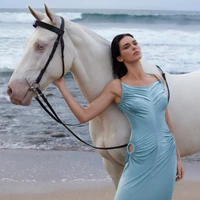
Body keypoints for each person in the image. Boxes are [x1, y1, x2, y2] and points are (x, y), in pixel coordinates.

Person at [53, 33, 184, 200]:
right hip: (140, 155)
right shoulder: (117, 87)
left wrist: (178, 158)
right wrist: (61, 86)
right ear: (120, 58)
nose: (134, 47)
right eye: (126, 46)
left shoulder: (157, 79)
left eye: (135, 43)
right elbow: (84, 115)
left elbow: (167, 121)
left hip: (167, 154)